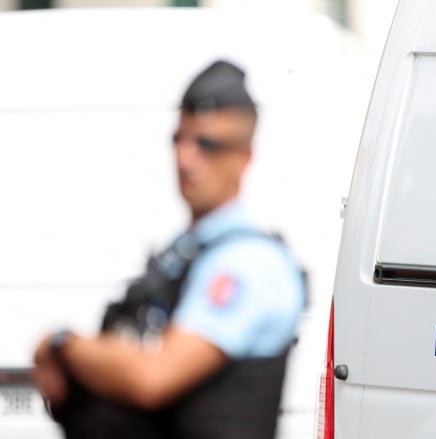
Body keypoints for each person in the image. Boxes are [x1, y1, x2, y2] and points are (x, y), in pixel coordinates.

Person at [32, 60, 305, 439]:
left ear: (244, 158)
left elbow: (152, 378)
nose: (185, 159)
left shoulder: (249, 264)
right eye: (179, 139)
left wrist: (64, 343)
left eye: (207, 144)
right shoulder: (184, 253)